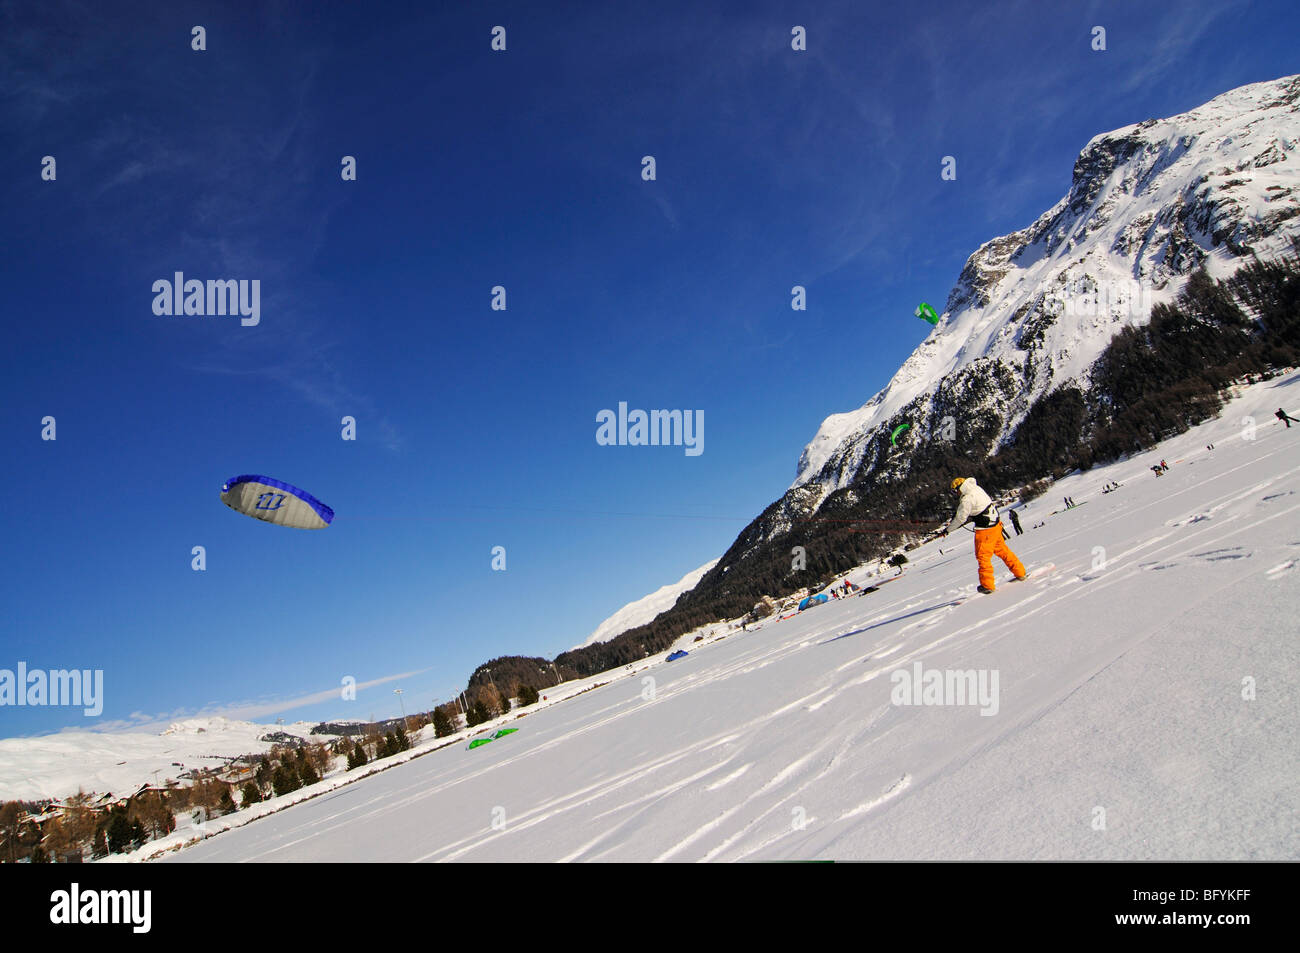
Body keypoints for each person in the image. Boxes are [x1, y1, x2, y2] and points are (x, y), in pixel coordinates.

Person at [941, 477, 1025, 593]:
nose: (955, 494)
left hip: (985, 530)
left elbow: (960, 519)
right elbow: (979, 507)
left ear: (961, 488)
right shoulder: (976, 488)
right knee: (1003, 551)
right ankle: (1020, 572)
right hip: (995, 525)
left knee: (983, 557)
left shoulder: (967, 499)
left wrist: (947, 530)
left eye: (955, 491)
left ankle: (987, 585)